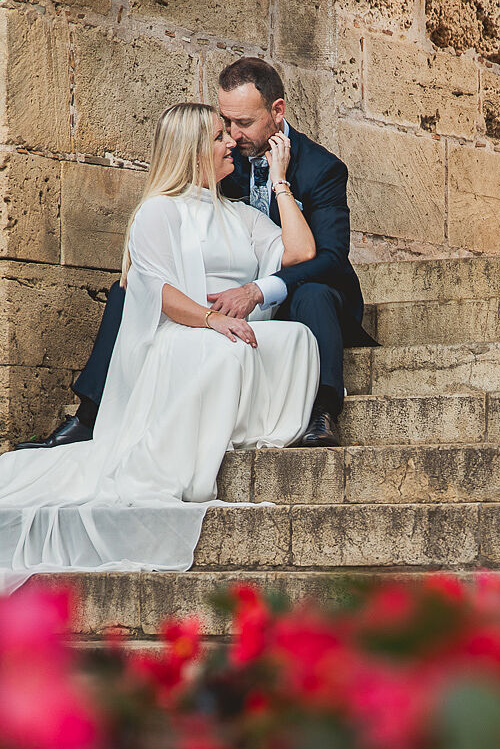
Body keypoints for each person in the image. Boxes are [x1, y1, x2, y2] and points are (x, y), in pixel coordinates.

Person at [0, 102, 319, 582]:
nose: (231, 141)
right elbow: (158, 292)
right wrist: (212, 320)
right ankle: (188, 452)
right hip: (181, 334)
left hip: (224, 327)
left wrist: (279, 180)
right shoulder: (159, 212)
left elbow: (301, 252)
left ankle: (248, 428)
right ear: (191, 152)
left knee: (296, 338)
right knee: (224, 349)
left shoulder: (238, 215)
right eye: (217, 137)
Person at [18, 58, 374, 454]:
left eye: (243, 123)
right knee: (127, 291)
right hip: (215, 295)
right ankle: (90, 414)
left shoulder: (322, 168)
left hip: (293, 289)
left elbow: (326, 258)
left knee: (316, 292)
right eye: (226, 123)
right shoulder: (224, 157)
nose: (233, 136)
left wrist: (259, 287)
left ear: (277, 112)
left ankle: (324, 407)